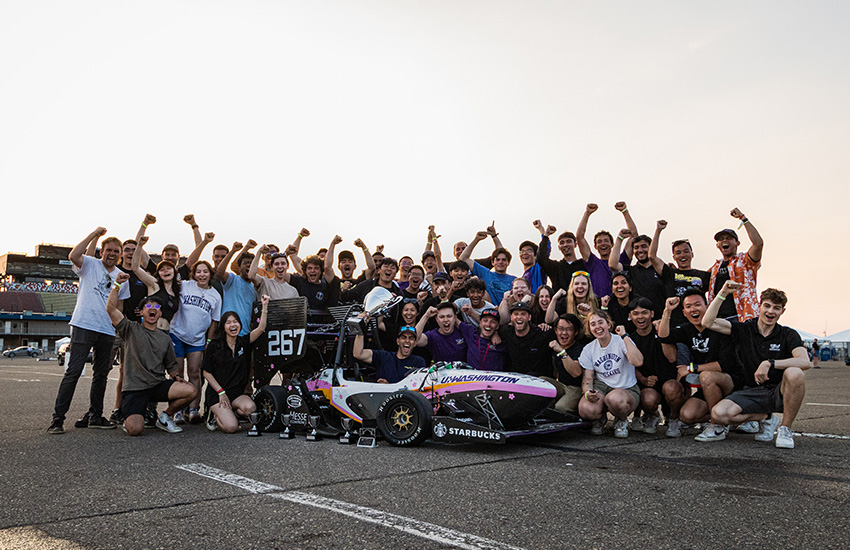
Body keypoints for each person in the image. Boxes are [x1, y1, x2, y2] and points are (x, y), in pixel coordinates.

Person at [703, 282, 810, 449]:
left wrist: (770, 363)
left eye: (776, 308)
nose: (770, 311)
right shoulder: (745, 329)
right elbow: (708, 322)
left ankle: (785, 429)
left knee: (795, 373)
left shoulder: (788, 334)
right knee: (718, 414)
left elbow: (804, 361)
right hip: (751, 390)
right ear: (759, 306)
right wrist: (723, 293)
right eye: (767, 306)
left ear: (782, 311)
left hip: (779, 392)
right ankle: (765, 418)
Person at [48, 227, 130, 434]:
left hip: (107, 329)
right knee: (74, 371)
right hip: (84, 324)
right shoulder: (89, 264)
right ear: (102, 251)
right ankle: (58, 418)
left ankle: (96, 415)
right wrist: (95, 234)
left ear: (120, 254)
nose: (112, 254)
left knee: (101, 374)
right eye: (108, 250)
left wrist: (115, 326)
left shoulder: (122, 275)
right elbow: (73, 255)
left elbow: (119, 306)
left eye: (116, 251)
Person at [106, 273, 197, 435]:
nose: (152, 309)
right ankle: (131, 416)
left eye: (156, 307)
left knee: (190, 391)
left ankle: (165, 416)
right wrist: (117, 285)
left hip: (156, 386)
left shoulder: (165, 338)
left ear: (161, 313)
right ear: (141, 312)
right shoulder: (130, 329)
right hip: (134, 388)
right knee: (135, 430)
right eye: (148, 307)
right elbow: (111, 309)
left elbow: (171, 365)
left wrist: (177, 377)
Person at [657, 289, 744, 442]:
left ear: (707, 306)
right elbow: (664, 336)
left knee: (707, 375)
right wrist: (667, 311)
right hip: (709, 387)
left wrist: (691, 368)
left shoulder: (720, 327)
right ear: (684, 312)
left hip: (731, 383)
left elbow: (725, 364)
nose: (693, 309)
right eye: (689, 307)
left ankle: (717, 425)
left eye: (698, 305)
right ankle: (730, 418)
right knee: (687, 415)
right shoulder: (687, 329)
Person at [202, 295, 270, 433]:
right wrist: (221, 392)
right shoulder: (214, 346)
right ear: (223, 327)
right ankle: (214, 415)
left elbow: (261, 328)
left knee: (250, 408)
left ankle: (230, 413)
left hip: (237, 394)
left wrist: (265, 306)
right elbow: (206, 372)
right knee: (231, 427)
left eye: (235, 322)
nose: (233, 325)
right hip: (218, 394)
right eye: (228, 322)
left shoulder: (243, 342)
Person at [169, 260, 222, 424]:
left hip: (197, 339)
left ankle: (193, 409)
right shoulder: (185, 285)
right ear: (194, 273)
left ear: (210, 274)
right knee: (177, 374)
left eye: (205, 271)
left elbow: (215, 321)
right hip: (177, 333)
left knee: (195, 373)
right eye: (198, 271)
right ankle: (176, 410)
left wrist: (209, 340)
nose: (202, 275)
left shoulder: (215, 295)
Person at [577, 311, 644, 438]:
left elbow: (638, 361)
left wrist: (625, 336)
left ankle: (622, 420)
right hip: (602, 386)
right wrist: (587, 392)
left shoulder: (621, 341)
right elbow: (588, 377)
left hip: (626, 388)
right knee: (585, 409)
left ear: (608, 324)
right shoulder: (589, 349)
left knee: (614, 399)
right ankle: (600, 419)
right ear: (589, 329)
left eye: (601, 322)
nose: (597, 327)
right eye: (593, 324)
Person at [627, 297, 678, 435]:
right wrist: (643, 379)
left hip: (668, 380)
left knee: (672, 388)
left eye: (644, 312)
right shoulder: (630, 339)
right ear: (630, 316)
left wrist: (661, 334)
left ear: (652, 314)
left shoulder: (663, 331)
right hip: (649, 385)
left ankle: (674, 419)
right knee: (647, 398)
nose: (640, 317)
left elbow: (672, 357)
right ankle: (653, 415)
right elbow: (630, 365)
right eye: (635, 313)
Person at [707, 207, 764, 321]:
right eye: (721, 239)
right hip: (719, 320)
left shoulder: (745, 261)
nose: (724, 241)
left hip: (742, 316)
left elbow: (758, 243)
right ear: (717, 245)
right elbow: (696, 279)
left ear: (737, 243)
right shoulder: (715, 268)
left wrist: (743, 218)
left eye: (728, 238)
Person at [576, 202, 638, 298]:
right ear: (595, 246)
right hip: (598, 307)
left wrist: (625, 211)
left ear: (612, 244)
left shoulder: (621, 261)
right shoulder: (593, 262)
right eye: (599, 242)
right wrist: (587, 213)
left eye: (606, 241)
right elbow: (580, 237)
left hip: (620, 305)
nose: (603, 243)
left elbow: (634, 236)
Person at [609, 229, 666, 318]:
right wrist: (619, 239)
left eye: (643, 246)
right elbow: (613, 264)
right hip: (639, 321)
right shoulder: (631, 271)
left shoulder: (661, 269)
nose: (640, 250)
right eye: (636, 247)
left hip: (660, 320)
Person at [354, 324, 426, 383]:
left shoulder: (419, 362)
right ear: (398, 341)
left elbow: (418, 387)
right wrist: (359, 329)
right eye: (403, 337)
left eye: (411, 338)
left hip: (406, 400)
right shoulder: (383, 356)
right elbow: (358, 354)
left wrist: (389, 386)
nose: (407, 341)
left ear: (415, 343)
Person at [497, 302, 554, 376]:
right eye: (516, 314)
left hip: (538, 381)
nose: (519, 317)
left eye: (523, 314)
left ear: (529, 317)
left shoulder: (542, 334)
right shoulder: (505, 331)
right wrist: (495, 334)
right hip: (514, 379)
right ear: (511, 317)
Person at [459, 230, 516, 304]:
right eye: (497, 260)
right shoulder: (485, 273)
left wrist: (494, 237)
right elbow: (463, 258)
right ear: (492, 262)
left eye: (504, 260)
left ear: (508, 263)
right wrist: (476, 239)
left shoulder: (514, 280)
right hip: (489, 312)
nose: (500, 262)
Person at [215, 240, 259, 333]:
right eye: (245, 263)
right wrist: (233, 251)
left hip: (245, 333)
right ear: (239, 267)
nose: (248, 265)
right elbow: (219, 273)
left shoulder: (256, 288)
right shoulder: (232, 280)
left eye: (251, 263)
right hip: (226, 333)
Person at [546, 314, 585, 414]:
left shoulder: (579, 349)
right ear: (556, 331)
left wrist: (562, 352)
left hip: (576, 388)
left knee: (560, 408)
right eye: (561, 329)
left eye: (569, 329)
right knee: (541, 382)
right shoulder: (556, 346)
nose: (564, 333)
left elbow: (576, 373)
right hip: (561, 385)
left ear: (575, 332)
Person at [533, 221, 586, 293]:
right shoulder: (555, 267)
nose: (565, 245)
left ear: (575, 244)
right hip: (561, 303)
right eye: (562, 243)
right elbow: (541, 258)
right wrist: (546, 235)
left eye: (568, 241)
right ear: (559, 247)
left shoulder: (584, 264)